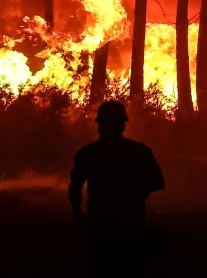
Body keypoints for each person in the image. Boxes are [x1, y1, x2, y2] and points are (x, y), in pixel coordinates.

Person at [69, 100, 165, 277]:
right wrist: (138, 192)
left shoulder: (88, 153)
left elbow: (75, 188)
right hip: (131, 224)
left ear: (99, 125)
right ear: (123, 125)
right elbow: (158, 183)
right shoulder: (140, 152)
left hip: (99, 225)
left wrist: (78, 215)